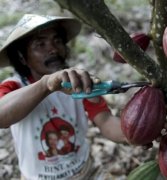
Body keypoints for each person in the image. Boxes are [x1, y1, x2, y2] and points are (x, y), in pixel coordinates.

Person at [0, 14, 127, 179]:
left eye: (57, 41)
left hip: (85, 172)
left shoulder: (79, 82)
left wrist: (134, 133)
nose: (53, 49)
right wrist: (46, 85)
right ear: (22, 57)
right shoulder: (14, 86)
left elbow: (105, 121)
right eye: (40, 44)